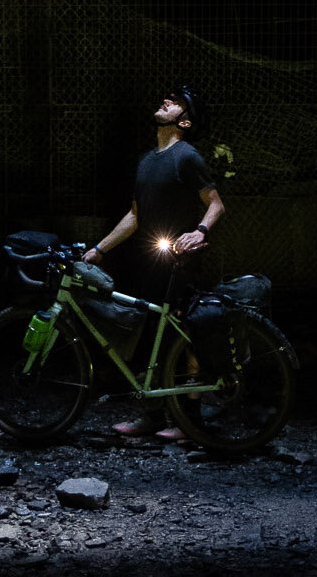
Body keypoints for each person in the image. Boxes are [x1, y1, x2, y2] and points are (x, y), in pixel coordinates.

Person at [82, 86, 224, 440]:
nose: (165, 101)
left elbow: (216, 204)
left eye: (175, 103)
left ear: (185, 121)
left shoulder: (187, 157)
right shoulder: (147, 161)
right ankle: (154, 416)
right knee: (149, 338)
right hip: (150, 262)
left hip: (180, 265)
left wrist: (200, 231)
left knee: (183, 340)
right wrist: (99, 249)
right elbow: (134, 216)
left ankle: (189, 421)